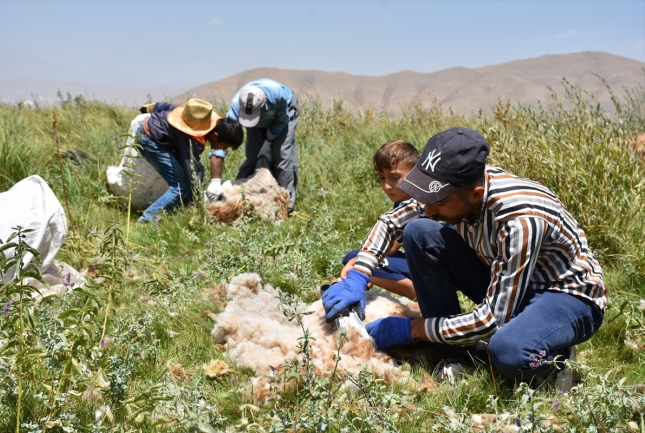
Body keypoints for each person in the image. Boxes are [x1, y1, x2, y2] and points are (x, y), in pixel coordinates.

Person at [322, 127, 606, 388]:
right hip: (508, 278)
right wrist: (359, 273)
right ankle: (453, 356)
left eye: (440, 203)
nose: (430, 210)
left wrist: (414, 329)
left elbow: (491, 320)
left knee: (509, 353)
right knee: (420, 231)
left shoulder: (520, 219)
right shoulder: (450, 185)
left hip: (563, 296)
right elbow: (391, 223)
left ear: (475, 195)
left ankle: (554, 356)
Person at [135, 98, 243, 223]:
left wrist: (152, 107)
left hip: (159, 137)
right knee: (181, 186)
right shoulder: (193, 139)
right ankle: (146, 220)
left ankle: (187, 208)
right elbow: (190, 167)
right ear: (215, 136)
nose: (223, 149)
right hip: (149, 141)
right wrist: (209, 197)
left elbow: (167, 107)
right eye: (224, 146)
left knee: (199, 172)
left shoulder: (202, 117)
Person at [340, 140, 419, 300]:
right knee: (354, 257)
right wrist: (361, 260)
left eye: (394, 177)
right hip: (415, 263)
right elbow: (391, 247)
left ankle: (416, 293)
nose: (387, 186)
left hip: (434, 269)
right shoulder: (400, 201)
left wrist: (361, 268)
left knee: (357, 263)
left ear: (416, 174)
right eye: (382, 178)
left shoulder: (422, 202)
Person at [210, 78, 299, 213]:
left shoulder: (278, 97)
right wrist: (215, 182)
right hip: (258, 119)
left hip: (283, 115)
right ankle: (238, 196)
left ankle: (285, 203)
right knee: (253, 157)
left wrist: (268, 142)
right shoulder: (237, 106)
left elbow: (281, 121)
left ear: (265, 103)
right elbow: (222, 139)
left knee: (282, 156)